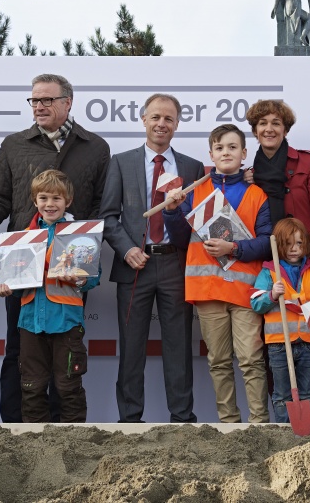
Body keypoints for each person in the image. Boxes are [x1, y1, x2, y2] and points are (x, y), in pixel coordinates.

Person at [0, 73, 110, 423]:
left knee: (64, 356)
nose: (39, 106)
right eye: (34, 100)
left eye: (47, 100)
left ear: (68, 102)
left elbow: (99, 210)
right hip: (22, 264)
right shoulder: (14, 144)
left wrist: (84, 257)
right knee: (19, 350)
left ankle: (65, 432)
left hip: (69, 270)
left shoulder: (95, 146)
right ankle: (15, 428)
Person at [100, 93, 204, 423]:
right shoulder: (121, 162)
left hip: (176, 264)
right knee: (131, 348)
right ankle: (129, 420)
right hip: (134, 266)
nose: (162, 124)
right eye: (156, 117)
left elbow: (199, 220)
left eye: (169, 119)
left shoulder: (192, 167)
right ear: (143, 119)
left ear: (177, 124)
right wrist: (126, 248)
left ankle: (182, 419)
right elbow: (108, 217)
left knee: (179, 348)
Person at [164, 124, 272, 423]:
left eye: (233, 147)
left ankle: (259, 424)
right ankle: (229, 424)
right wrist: (172, 211)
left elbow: (266, 242)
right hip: (208, 290)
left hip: (245, 292)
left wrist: (233, 248)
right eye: (220, 148)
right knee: (219, 361)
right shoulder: (195, 191)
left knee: (251, 360)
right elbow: (179, 239)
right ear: (210, 154)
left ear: (243, 154)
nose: (226, 152)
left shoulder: (257, 194)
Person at [0, 170, 99, 422]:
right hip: (30, 322)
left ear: (68, 202)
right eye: (44, 198)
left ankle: (74, 445)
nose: (50, 204)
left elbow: (94, 277)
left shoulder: (80, 234)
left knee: (68, 387)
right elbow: (12, 277)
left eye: (56, 199)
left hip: (67, 322)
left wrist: (82, 278)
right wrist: (6, 288)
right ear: (34, 201)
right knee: (31, 387)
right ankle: (35, 446)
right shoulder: (22, 237)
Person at [251, 217, 310, 423]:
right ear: (279, 245)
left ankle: (305, 437)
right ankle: (284, 435)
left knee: (308, 394)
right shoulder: (269, 272)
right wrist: (271, 294)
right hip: (280, 344)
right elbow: (256, 303)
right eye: (288, 244)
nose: (294, 249)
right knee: (281, 396)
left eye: (299, 243)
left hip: (309, 343)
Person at [245, 99, 310, 272]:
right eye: (263, 123)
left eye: (276, 123)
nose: (269, 129)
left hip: (307, 261)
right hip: (268, 264)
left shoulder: (308, 163)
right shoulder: (249, 176)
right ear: (255, 131)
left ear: (285, 130)